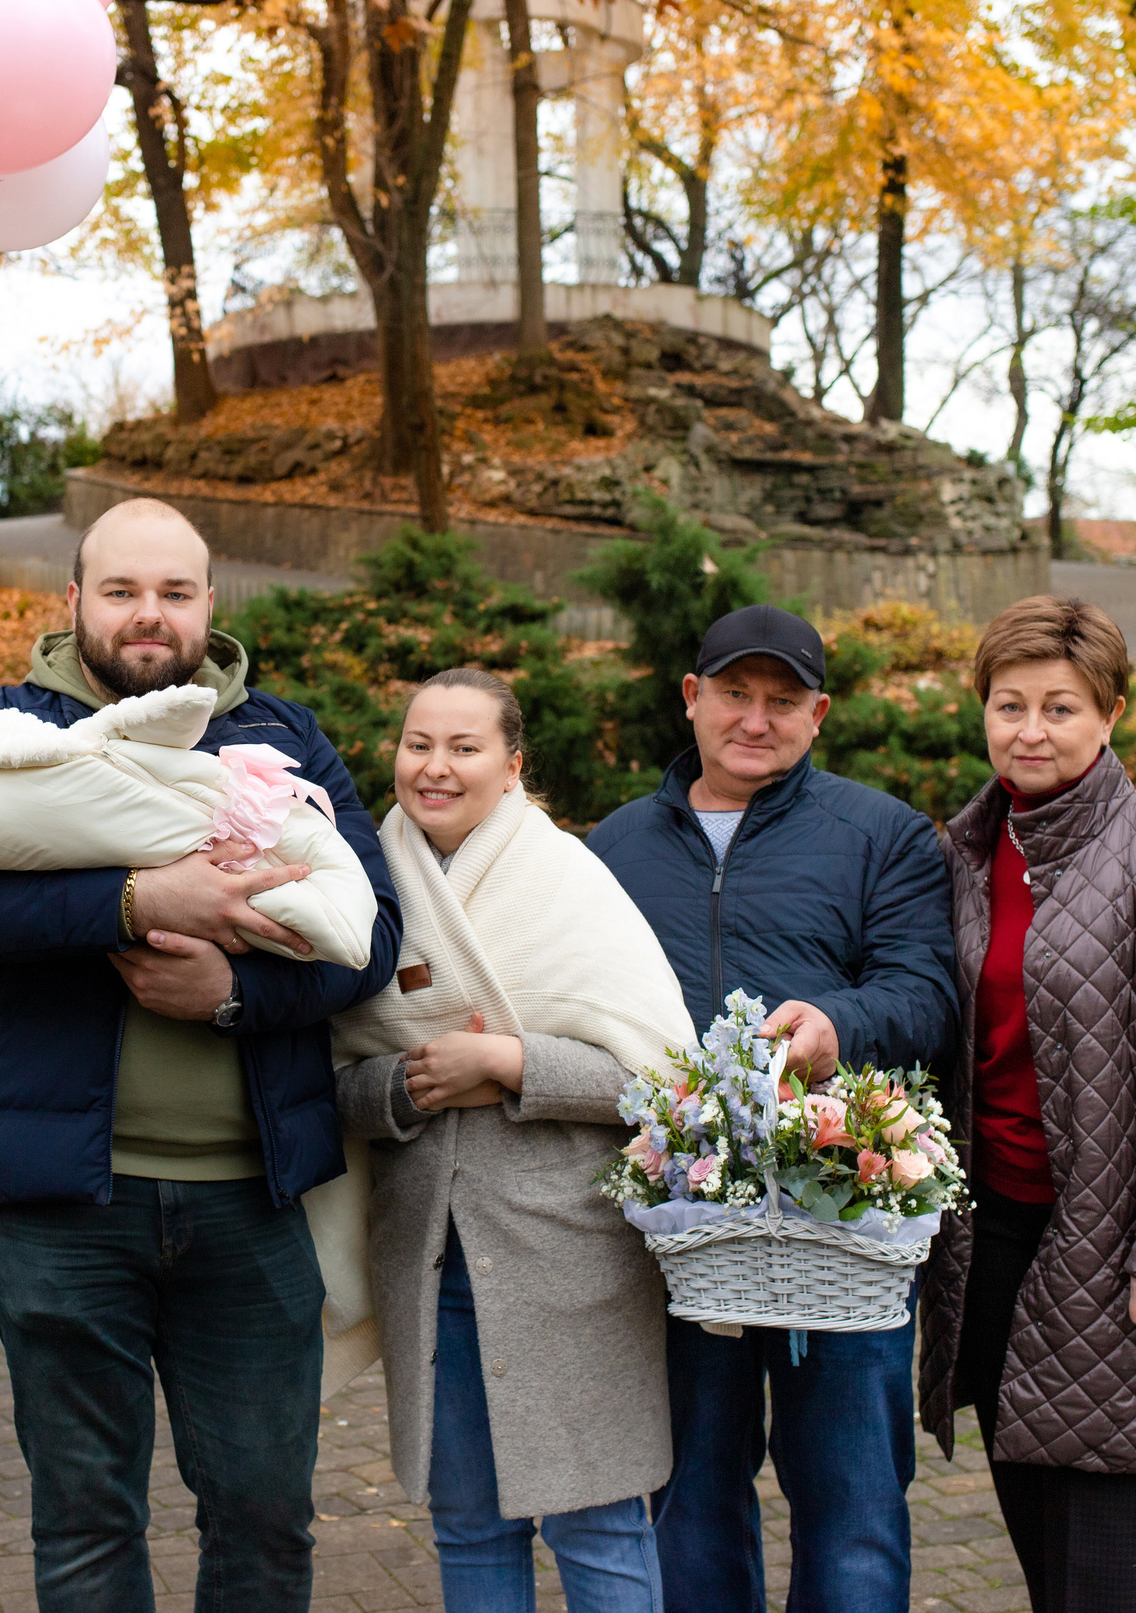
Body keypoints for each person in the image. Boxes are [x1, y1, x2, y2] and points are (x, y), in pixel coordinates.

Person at [0, 498, 402, 1613]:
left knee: (264, 1516)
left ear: (210, 604)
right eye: (121, 591)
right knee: (83, 1522)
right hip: (56, 1205)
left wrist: (234, 997)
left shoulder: (284, 739)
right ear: (72, 601)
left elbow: (373, 936)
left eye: (174, 592)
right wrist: (129, 901)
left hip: (250, 1207)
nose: (149, 617)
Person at [586, 603, 959, 1613]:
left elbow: (926, 993)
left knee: (852, 1503)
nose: (756, 719)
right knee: (690, 1494)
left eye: (783, 701)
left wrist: (838, 1024)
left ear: (819, 712)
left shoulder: (880, 835)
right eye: (735, 695)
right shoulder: (613, 848)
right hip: (680, 1221)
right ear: (690, 697)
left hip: (841, 1215)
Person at [920, 595, 1136, 1613]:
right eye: (1009, 705)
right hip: (991, 1239)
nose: (1029, 731)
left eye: (1059, 709)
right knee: (1036, 1536)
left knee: (1101, 1567)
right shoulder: (966, 856)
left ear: (1109, 715)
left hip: (1119, 1252)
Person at [329, 670, 685, 1613]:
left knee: (597, 1521)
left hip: (569, 1253)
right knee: (469, 1524)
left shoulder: (570, 880)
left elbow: (661, 1079)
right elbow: (322, 1076)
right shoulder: (361, 881)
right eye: (417, 744)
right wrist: (402, 1085)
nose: (434, 767)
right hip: (427, 1253)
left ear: (513, 764)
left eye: (464, 747)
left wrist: (512, 1061)